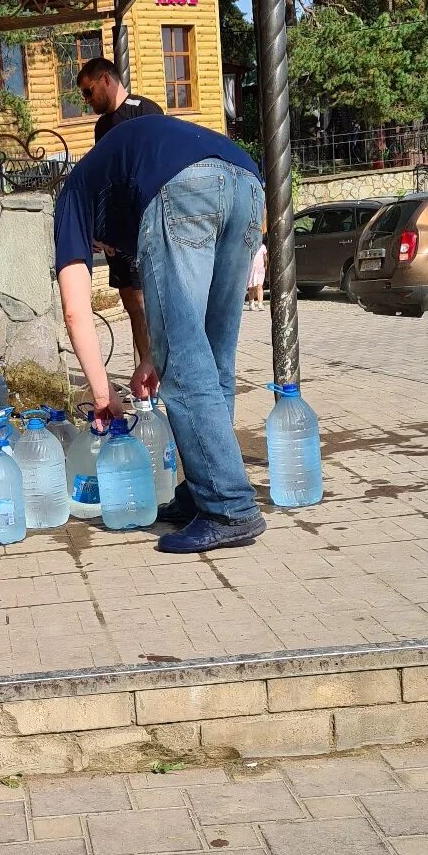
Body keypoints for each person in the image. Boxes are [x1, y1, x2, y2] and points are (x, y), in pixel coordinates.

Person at [53, 115, 267, 556]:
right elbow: (172, 307)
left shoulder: (73, 195)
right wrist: (151, 358)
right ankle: (205, 489)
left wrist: (100, 393)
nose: (101, 250)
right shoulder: (124, 180)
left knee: (187, 364)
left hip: (187, 186)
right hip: (246, 181)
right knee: (212, 352)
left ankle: (229, 508)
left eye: (97, 247)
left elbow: (75, 311)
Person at [77, 57, 163, 374]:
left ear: (105, 80)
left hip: (145, 226)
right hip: (118, 230)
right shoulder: (102, 127)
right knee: (132, 305)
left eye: (88, 92)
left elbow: (156, 167)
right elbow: (105, 179)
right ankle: (146, 370)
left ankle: (161, 370)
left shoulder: (145, 111)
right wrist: (100, 227)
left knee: (146, 302)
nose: (87, 102)